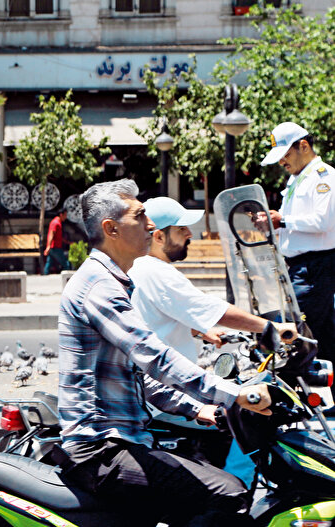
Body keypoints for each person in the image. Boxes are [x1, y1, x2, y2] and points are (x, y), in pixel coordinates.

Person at [57, 179, 272, 527]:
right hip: (100, 450)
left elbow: (137, 374)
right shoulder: (99, 286)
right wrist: (236, 394)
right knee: (229, 492)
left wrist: (198, 408)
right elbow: (155, 357)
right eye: (140, 216)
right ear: (111, 229)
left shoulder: (116, 280)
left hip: (120, 442)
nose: (151, 224)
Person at [129, 196, 296, 486]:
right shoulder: (157, 272)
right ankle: (236, 490)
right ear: (158, 236)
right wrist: (271, 326)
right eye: (182, 229)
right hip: (162, 395)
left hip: (156, 386)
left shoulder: (141, 268)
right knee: (249, 413)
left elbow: (158, 316)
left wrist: (199, 330)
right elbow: (213, 308)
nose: (190, 234)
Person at [259, 121, 335, 396]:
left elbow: (323, 221)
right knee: (325, 337)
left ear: (303, 146)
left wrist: (282, 220)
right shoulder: (297, 179)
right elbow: (292, 223)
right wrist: (273, 224)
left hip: (316, 267)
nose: (282, 162)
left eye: (286, 155)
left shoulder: (324, 176)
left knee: (292, 335)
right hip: (300, 267)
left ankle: (283, 399)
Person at [42, 210, 70, 275]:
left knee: (49, 263)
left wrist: (68, 242)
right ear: (61, 214)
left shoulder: (57, 223)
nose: (66, 217)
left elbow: (59, 237)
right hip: (55, 247)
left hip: (53, 247)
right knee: (66, 264)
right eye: (65, 215)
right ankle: (69, 277)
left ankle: (44, 275)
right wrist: (48, 246)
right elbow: (51, 234)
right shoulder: (56, 223)